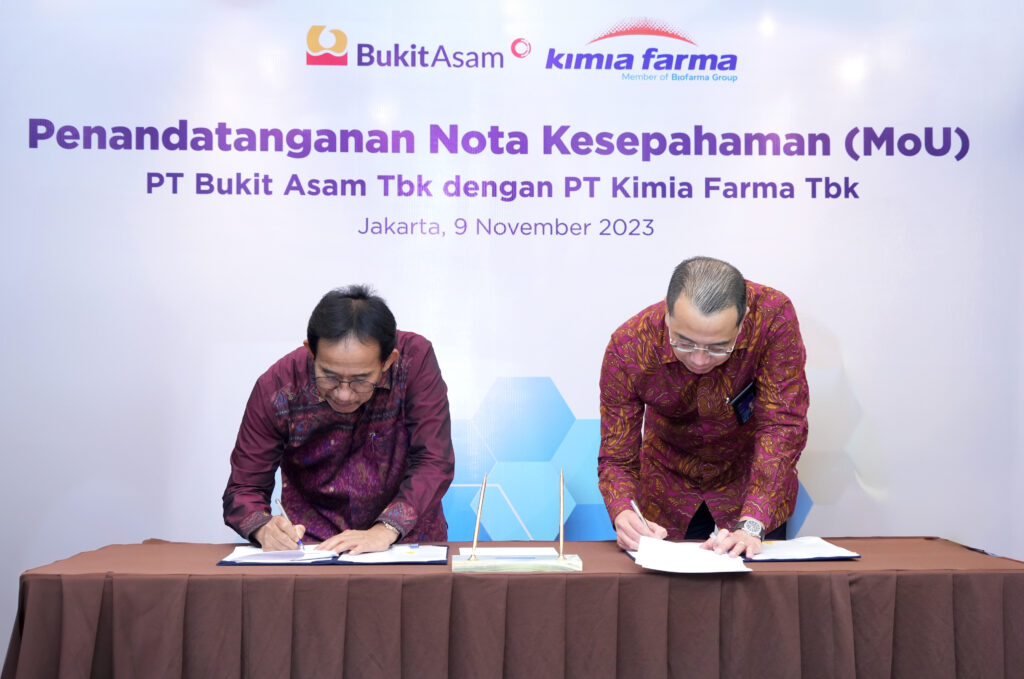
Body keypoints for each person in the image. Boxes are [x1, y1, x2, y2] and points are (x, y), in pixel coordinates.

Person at [598, 256, 809, 557]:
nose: (699, 359)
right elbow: (617, 456)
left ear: (742, 321)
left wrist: (753, 523)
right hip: (667, 491)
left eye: (718, 347)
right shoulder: (630, 346)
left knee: (755, 583)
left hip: (751, 484)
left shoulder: (772, 318)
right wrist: (623, 511)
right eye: (684, 343)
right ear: (668, 315)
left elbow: (782, 425)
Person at [223, 285, 454, 554]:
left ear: (388, 361)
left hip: (405, 544)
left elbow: (433, 460)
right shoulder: (279, 387)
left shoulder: (413, 360)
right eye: (330, 377)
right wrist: (265, 529)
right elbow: (244, 488)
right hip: (314, 549)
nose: (344, 394)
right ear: (311, 352)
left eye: (360, 380)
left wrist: (385, 530)